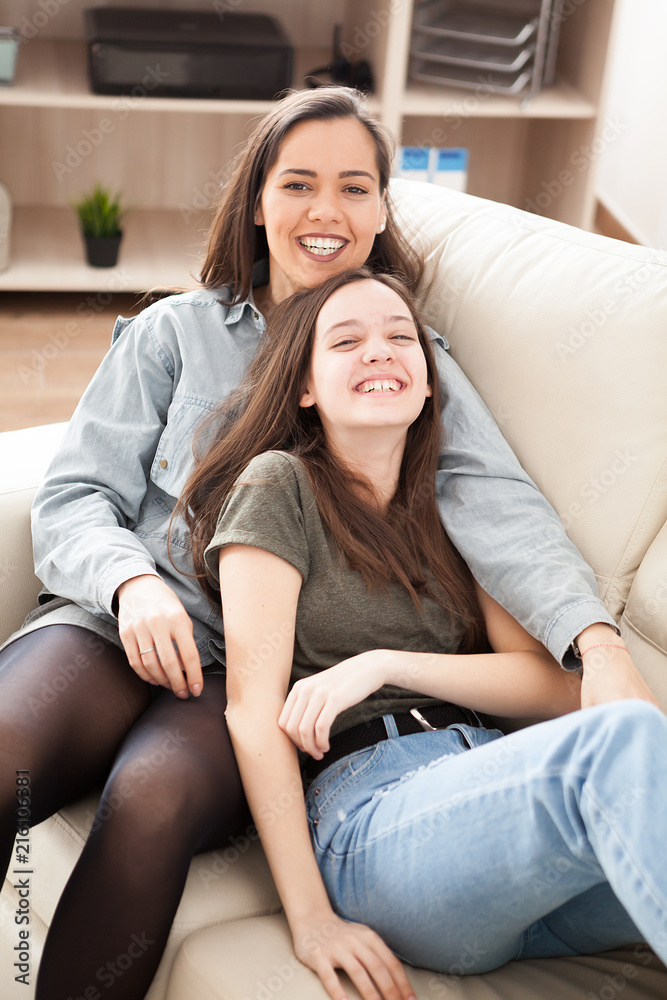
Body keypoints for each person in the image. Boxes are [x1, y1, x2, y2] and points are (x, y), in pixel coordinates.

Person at [0, 87, 654, 999]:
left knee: (154, 798)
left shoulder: (411, 360)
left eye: (354, 188)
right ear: (256, 201)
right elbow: (75, 494)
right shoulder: (175, 332)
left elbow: (498, 505)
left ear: (383, 211)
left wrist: (597, 643)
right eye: (298, 184)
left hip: (242, 668)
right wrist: (129, 586)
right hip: (115, 620)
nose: (325, 211)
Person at [190, 267, 665, 1000]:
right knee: (628, 733)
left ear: (427, 380)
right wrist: (312, 920)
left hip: (523, 847)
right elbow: (252, 713)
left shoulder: (458, 507)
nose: (379, 350)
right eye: (345, 341)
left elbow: (553, 689)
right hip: (380, 822)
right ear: (305, 387)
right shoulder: (278, 485)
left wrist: (386, 664)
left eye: (400, 337)